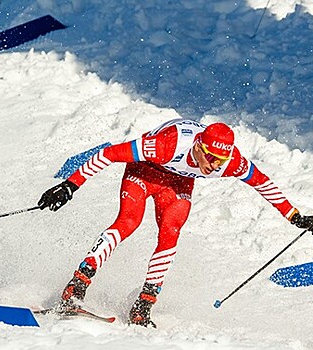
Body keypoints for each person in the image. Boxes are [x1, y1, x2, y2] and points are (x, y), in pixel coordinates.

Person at [37, 118, 313, 327]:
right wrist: (70, 185)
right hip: (145, 171)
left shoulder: (230, 162)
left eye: (221, 161)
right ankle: (76, 287)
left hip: (178, 182)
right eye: (211, 158)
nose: (215, 166)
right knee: (129, 222)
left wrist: (294, 216)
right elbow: (108, 155)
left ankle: (144, 304)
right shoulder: (167, 145)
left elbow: (262, 183)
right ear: (198, 146)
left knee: (170, 233)